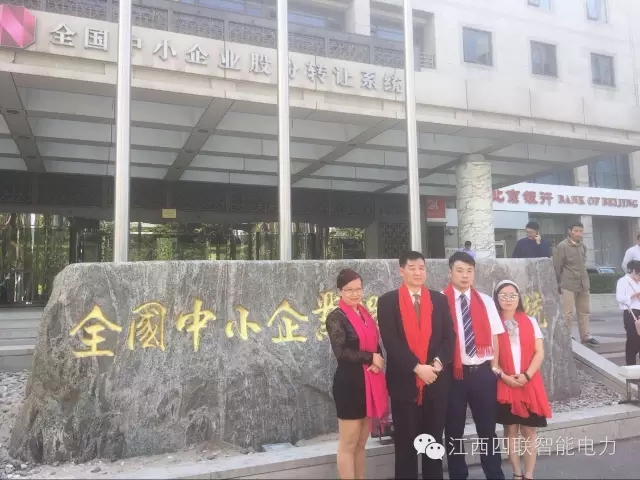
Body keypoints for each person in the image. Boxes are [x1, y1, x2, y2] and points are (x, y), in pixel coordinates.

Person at [377, 251, 455, 479]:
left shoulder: (439, 300)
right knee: (405, 445)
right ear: (401, 271)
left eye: (421, 268)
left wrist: (437, 364)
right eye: (412, 268)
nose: (417, 272)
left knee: (433, 442)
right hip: (405, 384)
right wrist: (417, 368)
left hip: (436, 382)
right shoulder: (387, 301)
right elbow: (391, 342)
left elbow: (449, 337)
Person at [443, 251, 505, 480]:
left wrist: (494, 366)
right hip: (454, 375)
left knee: (487, 429)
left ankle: (494, 474)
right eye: (460, 270)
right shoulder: (440, 300)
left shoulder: (485, 301)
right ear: (450, 272)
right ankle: (458, 475)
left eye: (469, 271)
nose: (465, 275)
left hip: (482, 374)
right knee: (454, 430)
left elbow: (496, 335)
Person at [326, 268, 389, 480]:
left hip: (368, 383)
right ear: (340, 291)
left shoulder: (364, 314)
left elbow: (375, 344)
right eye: (349, 290)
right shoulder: (336, 317)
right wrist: (371, 358)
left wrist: (377, 361)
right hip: (349, 385)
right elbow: (341, 352)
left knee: (362, 442)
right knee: (349, 443)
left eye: (358, 289)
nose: (355, 294)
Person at [493, 280, 552, 480]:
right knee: (510, 431)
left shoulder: (531, 321)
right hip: (505, 383)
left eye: (513, 295)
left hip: (529, 383)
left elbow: (539, 352)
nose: (508, 299)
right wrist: (504, 376)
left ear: (519, 298)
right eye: (504, 296)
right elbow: (491, 359)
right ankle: (516, 473)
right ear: (497, 299)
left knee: (529, 431)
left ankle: (529, 474)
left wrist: (526, 375)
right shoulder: (493, 323)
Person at [552, 222, 599, 346]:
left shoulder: (583, 246)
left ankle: (586, 336)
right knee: (567, 312)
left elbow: (583, 263)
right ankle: (568, 335)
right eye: (576, 231)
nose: (578, 233)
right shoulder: (562, 246)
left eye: (580, 231)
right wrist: (558, 283)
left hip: (583, 283)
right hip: (568, 283)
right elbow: (557, 266)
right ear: (570, 231)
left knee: (584, 311)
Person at [615, 260, 640, 365]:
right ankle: (630, 364)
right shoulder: (623, 281)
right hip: (630, 312)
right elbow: (619, 297)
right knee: (632, 338)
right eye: (639, 274)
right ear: (633, 271)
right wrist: (633, 296)